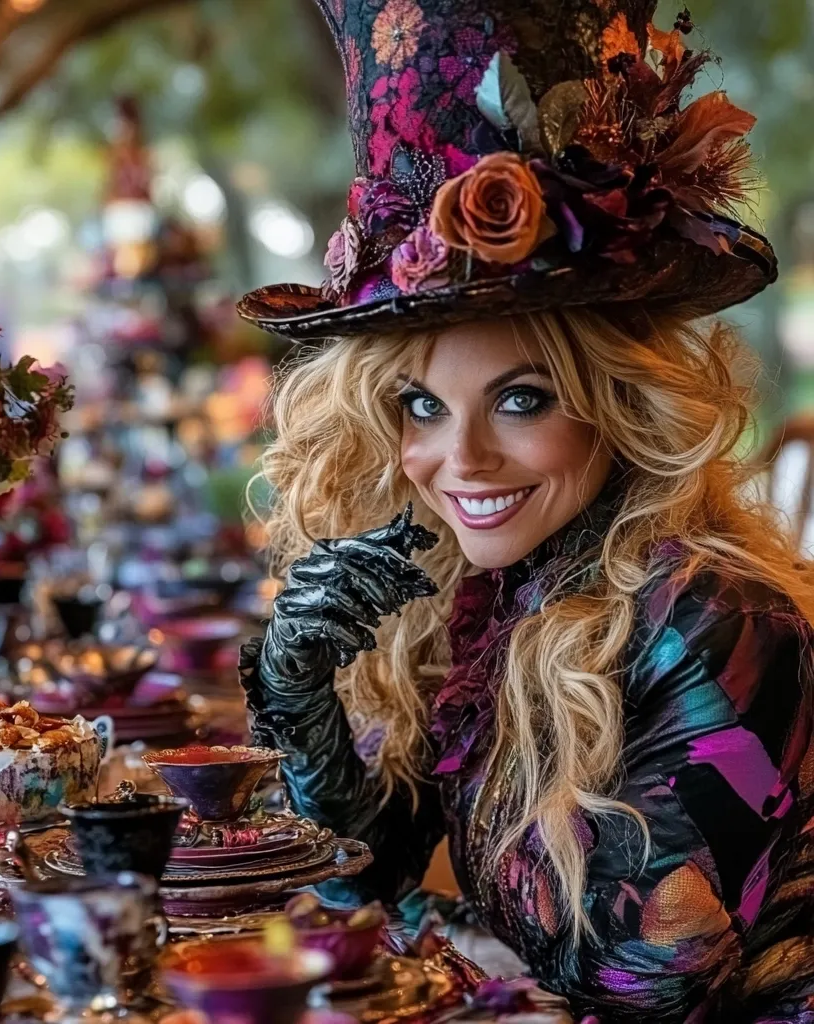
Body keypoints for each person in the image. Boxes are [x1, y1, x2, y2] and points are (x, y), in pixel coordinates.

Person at [236, 2, 814, 1022]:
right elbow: (362, 879)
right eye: (421, 405)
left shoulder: (720, 619)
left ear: (618, 402)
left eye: (521, 399)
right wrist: (304, 705)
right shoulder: (500, 586)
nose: (459, 460)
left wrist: (439, 920)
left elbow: (651, 979)